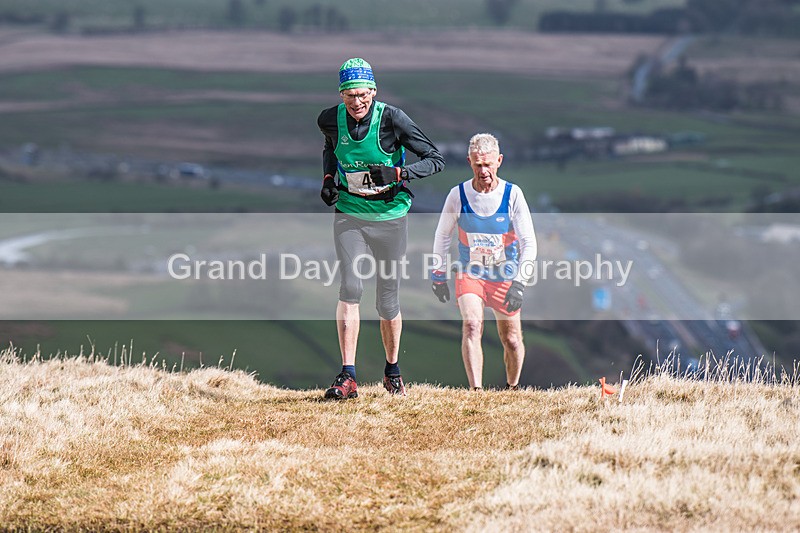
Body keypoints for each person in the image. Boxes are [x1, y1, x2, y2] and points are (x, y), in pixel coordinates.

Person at [317, 58, 445, 399]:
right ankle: (348, 376)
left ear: (373, 91)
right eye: (349, 96)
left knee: (387, 300)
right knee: (350, 288)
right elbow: (330, 148)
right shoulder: (329, 119)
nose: (356, 103)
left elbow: (436, 158)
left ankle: (392, 371)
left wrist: (400, 174)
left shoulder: (392, 119)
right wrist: (329, 179)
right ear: (340, 94)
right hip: (350, 213)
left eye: (362, 95)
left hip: (390, 217)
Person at [430, 133, 537, 390]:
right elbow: (442, 235)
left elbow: (529, 243)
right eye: (478, 165)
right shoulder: (458, 195)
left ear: (499, 161)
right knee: (472, 325)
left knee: (511, 339)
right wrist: (438, 273)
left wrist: (520, 283)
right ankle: (476, 390)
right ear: (470, 162)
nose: (484, 171)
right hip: (470, 273)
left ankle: (513, 387)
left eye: (488, 164)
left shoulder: (512, 195)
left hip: (505, 275)